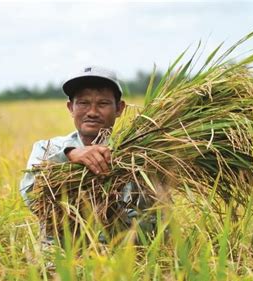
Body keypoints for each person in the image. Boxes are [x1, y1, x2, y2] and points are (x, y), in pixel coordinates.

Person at [20, 65, 156, 245]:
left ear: (119, 109)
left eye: (103, 104)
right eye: (83, 103)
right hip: (60, 259)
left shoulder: (139, 155)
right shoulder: (47, 149)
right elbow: (32, 196)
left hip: (124, 259)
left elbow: (156, 218)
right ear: (70, 107)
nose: (92, 112)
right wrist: (69, 155)